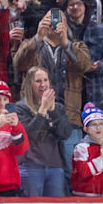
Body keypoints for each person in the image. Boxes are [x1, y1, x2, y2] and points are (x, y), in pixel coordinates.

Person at [13, 65, 70, 197]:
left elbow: (65, 133)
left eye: (45, 80)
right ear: (29, 85)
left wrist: (53, 111)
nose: (43, 84)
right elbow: (29, 136)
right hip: (31, 166)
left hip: (55, 167)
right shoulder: (21, 108)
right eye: (38, 81)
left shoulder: (58, 107)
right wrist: (42, 110)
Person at [70, 103, 103, 196]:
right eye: (93, 125)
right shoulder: (81, 148)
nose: (98, 128)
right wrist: (101, 158)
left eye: (101, 124)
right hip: (85, 198)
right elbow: (83, 173)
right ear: (86, 129)